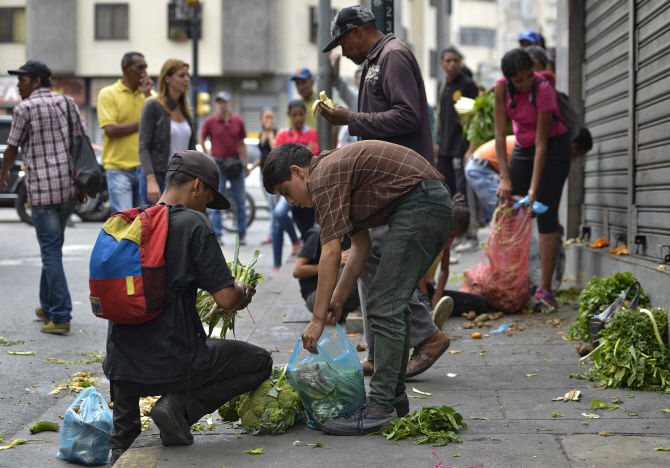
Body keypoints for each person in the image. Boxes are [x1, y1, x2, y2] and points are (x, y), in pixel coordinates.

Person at [263, 140, 452, 435]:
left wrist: (316, 319)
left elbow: (331, 252)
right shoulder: (334, 175)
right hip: (428, 202)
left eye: (286, 191)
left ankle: (380, 407)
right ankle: (393, 397)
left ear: (298, 172)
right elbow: (360, 246)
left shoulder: (322, 177)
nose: (289, 202)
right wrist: (337, 298)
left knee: (383, 305)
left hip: (422, 204)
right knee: (391, 304)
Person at [104, 151, 272, 466]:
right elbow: (224, 298)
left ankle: (120, 446)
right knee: (261, 362)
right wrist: (242, 290)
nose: (206, 206)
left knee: (122, 440)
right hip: (174, 365)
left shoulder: (132, 220)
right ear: (196, 185)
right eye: (208, 197)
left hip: (120, 368)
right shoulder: (193, 224)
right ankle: (179, 406)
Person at [0, 60, 85, 335]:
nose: (18, 85)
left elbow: (12, 148)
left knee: (50, 251)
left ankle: (60, 315)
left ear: (37, 81)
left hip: (42, 192)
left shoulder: (24, 108)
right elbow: (81, 139)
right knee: (54, 248)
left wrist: (2, 173)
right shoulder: (68, 102)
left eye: (22, 80)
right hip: (68, 190)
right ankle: (48, 305)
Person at [494, 48, 571, 308]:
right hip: (523, 146)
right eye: (520, 80)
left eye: (529, 77)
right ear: (509, 79)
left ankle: (545, 289)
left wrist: (534, 189)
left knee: (545, 210)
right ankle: (513, 281)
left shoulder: (543, 89)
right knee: (508, 206)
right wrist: (505, 178)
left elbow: (542, 144)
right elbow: (500, 133)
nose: (525, 83)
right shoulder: (501, 89)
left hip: (554, 147)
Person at [318, 6, 434, 163]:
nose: (344, 53)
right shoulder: (376, 58)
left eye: (343, 44)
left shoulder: (393, 55)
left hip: (405, 179)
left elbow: (408, 116)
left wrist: (351, 119)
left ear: (356, 32)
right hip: (391, 177)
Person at [97, 52, 154, 215]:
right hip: (118, 168)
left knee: (144, 223)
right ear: (125, 68)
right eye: (140, 67)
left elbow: (157, 127)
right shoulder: (108, 93)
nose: (144, 72)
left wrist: (148, 95)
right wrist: (144, 123)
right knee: (124, 222)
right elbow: (111, 130)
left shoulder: (150, 96)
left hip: (145, 169)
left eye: (146, 68)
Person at [435, 47, 479, 254]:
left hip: (459, 150)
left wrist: (469, 149)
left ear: (460, 62)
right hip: (444, 150)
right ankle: (454, 234)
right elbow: (440, 118)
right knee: (449, 193)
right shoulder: (444, 85)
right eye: (448, 60)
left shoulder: (467, 85)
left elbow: (472, 120)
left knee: (463, 192)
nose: (452, 64)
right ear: (442, 63)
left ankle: (470, 235)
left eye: (455, 60)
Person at [270, 100, 319, 277]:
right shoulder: (284, 134)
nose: (298, 118)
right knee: (278, 215)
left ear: (305, 114)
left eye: (301, 114)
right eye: (294, 115)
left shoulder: (313, 132)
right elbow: (279, 161)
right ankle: (288, 250)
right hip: (289, 184)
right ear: (289, 116)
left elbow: (311, 157)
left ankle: (305, 250)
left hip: (303, 184)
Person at [138, 59, 196, 205]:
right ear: (167, 78)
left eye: (187, 75)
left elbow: (191, 150)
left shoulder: (187, 110)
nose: (186, 79)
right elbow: (143, 147)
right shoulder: (153, 105)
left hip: (181, 181)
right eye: (181, 75)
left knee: (178, 226)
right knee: (156, 226)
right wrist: (150, 180)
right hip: (157, 178)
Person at [199, 91, 248, 245]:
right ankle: (218, 234)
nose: (222, 104)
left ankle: (242, 234)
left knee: (240, 201)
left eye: (224, 101)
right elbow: (201, 138)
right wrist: (208, 158)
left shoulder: (238, 121)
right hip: (218, 164)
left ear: (230, 103)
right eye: (219, 102)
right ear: (215, 104)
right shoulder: (210, 121)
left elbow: (242, 143)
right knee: (215, 201)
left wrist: (246, 164)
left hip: (235, 163)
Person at [428, 194, 489, 316]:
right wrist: (426, 297)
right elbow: (417, 275)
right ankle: (428, 312)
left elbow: (444, 270)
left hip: (430, 289)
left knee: (481, 303)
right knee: (422, 307)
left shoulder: (447, 242)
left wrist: (438, 293)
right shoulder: (429, 236)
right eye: (451, 236)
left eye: (455, 238)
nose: (450, 240)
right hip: (416, 290)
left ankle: (434, 313)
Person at [294, 225, 360, 321]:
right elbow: (297, 271)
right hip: (316, 296)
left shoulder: (351, 234)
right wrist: (336, 262)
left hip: (336, 294)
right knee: (352, 266)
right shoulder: (317, 234)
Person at [249, 107, 278, 244]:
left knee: (274, 206)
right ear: (261, 119)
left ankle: (272, 235)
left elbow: (275, 149)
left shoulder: (275, 133)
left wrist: (270, 133)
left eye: (271, 117)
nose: (269, 120)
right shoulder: (260, 134)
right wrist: (250, 168)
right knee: (270, 205)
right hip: (263, 174)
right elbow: (262, 156)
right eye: (266, 117)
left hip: (273, 174)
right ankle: (275, 231)